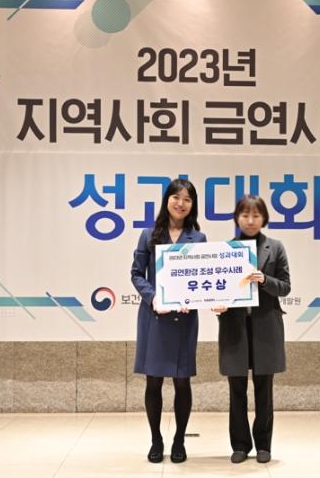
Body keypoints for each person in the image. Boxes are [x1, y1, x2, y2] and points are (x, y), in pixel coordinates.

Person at [131, 178, 206, 464]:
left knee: (182, 382)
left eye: (187, 199)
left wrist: (199, 299)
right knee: (153, 381)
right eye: (176, 197)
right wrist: (153, 298)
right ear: (167, 200)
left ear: (192, 205)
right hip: (155, 318)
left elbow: (203, 278)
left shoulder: (198, 239)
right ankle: (156, 440)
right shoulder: (149, 234)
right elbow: (136, 274)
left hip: (185, 319)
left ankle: (179, 440)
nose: (181, 203)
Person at [213, 195, 291, 464]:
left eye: (256, 215)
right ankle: (240, 445)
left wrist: (265, 279)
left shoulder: (275, 247)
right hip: (234, 327)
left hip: (265, 327)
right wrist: (217, 303)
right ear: (237, 218)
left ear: (264, 218)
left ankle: (264, 445)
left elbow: (285, 287)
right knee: (236, 389)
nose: (250, 220)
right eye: (245, 215)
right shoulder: (226, 249)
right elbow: (217, 286)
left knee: (264, 390)